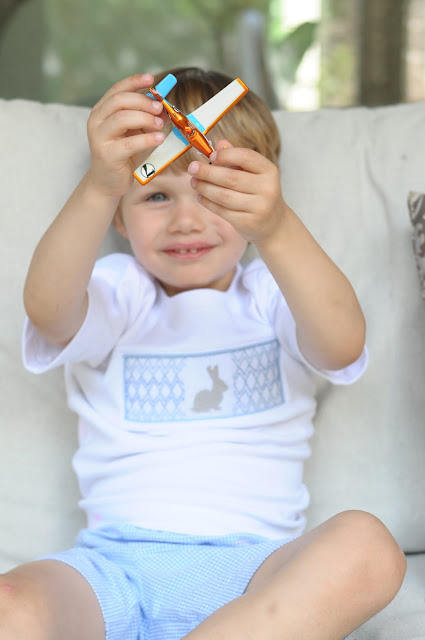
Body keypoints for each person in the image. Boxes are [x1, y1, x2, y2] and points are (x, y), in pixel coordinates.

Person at [1, 67, 405, 640]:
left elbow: (343, 344)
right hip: (114, 571)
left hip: (256, 578)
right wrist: (97, 187)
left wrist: (278, 229)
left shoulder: (274, 294)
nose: (186, 220)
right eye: (156, 194)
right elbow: (48, 310)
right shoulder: (118, 292)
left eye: (214, 192)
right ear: (119, 215)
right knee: (11, 605)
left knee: (369, 546)